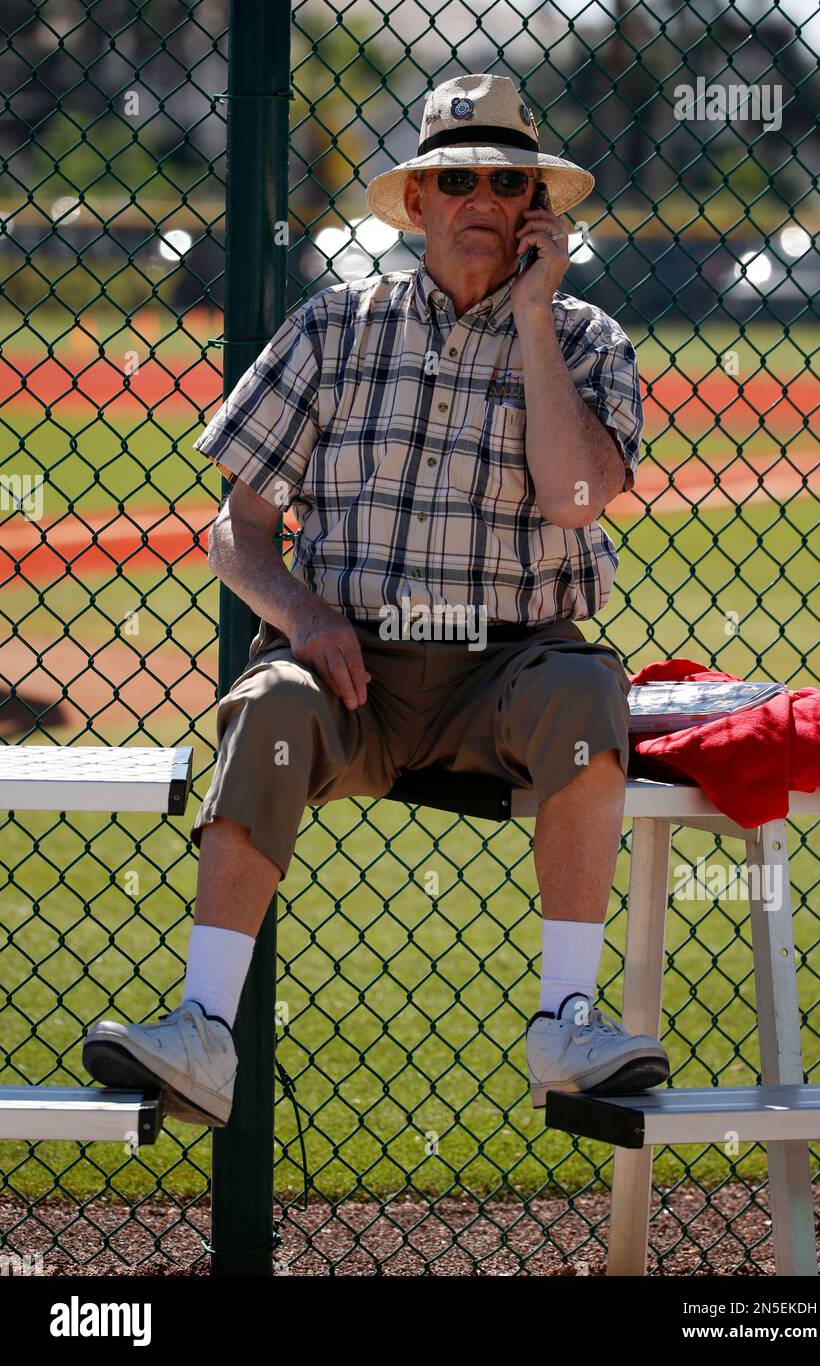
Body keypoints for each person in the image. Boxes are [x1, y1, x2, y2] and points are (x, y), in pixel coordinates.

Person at [83, 72, 668, 1126]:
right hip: (357, 666)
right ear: (416, 200)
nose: (481, 196)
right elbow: (238, 530)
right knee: (266, 704)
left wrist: (532, 317)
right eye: (456, 177)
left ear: (538, 206)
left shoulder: (585, 339)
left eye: (507, 178)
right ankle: (203, 1034)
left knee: (589, 690)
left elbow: (579, 498)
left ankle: (567, 1023)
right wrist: (303, 615)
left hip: (512, 668)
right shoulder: (332, 329)